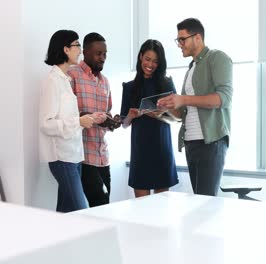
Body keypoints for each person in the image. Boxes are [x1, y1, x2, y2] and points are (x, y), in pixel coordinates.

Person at [157, 18, 233, 196]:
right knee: (199, 200)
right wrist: (166, 108)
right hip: (191, 143)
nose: (179, 45)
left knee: (206, 203)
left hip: (211, 142)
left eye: (182, 39)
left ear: (197, 38)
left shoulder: (217, 58)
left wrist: (183, 99)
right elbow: (184, 112)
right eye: (178, 40)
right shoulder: (191, 68)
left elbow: (223, 98)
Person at [39, 30, 104, 212]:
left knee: (65, 213)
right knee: (81, 211)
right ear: (66, 49)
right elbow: (46, 124)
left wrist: (88, 119)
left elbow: (68, 118)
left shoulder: (65, 80)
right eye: (77, 45)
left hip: (75, 156)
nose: (80, 51)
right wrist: (79, 122)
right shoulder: (52, 81)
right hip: (62, 157)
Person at [120, 39, 179, 198]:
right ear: (140, 57)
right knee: (141, 209)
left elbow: (177, 119)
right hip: (140, 151)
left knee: (162, 209)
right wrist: (131, 116)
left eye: (155, 61)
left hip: (161, 148)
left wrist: (161, 115)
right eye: (147, 59)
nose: (150, 64)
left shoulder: (167, 84)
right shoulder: (129, 87)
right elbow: (124, 124)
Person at [68, 32, 115, 207]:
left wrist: (111, 122)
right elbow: (67, 115)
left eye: (105, 54)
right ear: (85, 52)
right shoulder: (72, 75)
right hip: (83, 156)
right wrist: (93, 118)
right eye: (98, 53)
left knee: (105, 206)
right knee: (99, 204)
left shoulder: (106, 82)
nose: (102, 58)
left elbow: (107, 114)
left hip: (103, 157)